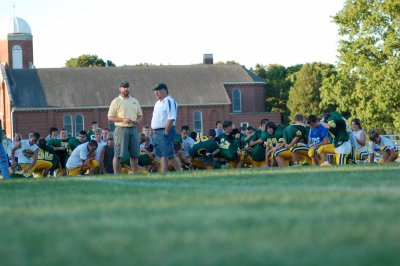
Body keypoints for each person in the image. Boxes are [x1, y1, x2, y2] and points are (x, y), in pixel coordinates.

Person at [108, 81, 143, 174]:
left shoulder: (134, 101)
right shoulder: (116, 101)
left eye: (127, 87)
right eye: (123, 87)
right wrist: (122, 120)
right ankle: (117, 175)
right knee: (118, 154)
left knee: (134, 154)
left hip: (133, 129)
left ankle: (135, 174)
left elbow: (140, 115)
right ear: (120, 89)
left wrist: (138, 120)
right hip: (121, 129)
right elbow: (110, 117)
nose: (126, 89)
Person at [151, 83, 181, 172]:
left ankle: (180, 172)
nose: (156, 94)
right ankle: (164, 173)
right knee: (161, 155)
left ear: (164, 91)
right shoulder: (157, 103)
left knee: (169, 154)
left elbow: (171, 117)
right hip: (156, 132)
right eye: (155, 92)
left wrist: (166, 131)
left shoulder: (170, 101)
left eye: (158, 91)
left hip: (165, 130)